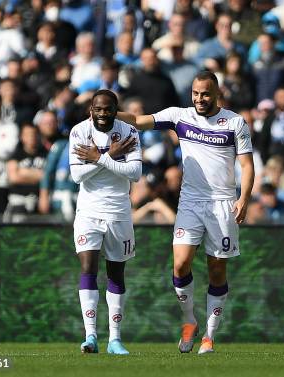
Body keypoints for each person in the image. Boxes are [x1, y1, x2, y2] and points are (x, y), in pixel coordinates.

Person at [118, 71, 254, 354]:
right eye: (195, 93)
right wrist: (106, 113)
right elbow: (139, 121)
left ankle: (210, 336)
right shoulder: (180, 116)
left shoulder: (235, 122)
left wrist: (244, 198)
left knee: (217, 269)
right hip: (190, 202)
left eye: (205, 93)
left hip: (222, 203)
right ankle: (190, 321)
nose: (199, 99)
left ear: (217, 93)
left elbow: (247, 165)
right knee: (180, 265)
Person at [69, 89, 142, 355]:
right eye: (97, 109)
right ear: (91, 109)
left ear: (115, 109)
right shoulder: (79, 132)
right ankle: (90, 336)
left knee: (116, 273)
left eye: (107, 109)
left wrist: (99, 157)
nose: (102, 114)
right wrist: (111, 156)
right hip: (88, 211)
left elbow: (135, 172)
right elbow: (77, 175)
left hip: (119, 211)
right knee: (88, 268)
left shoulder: (129, 132)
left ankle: (115, 339)